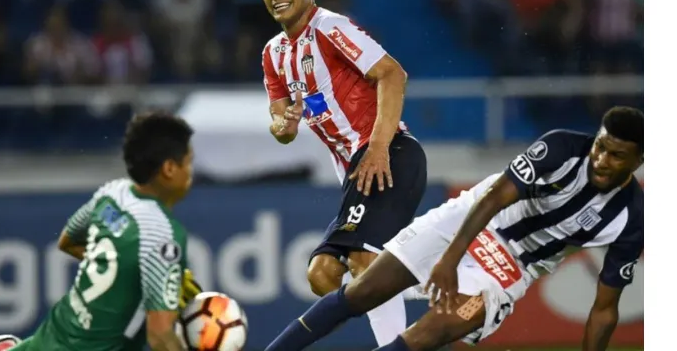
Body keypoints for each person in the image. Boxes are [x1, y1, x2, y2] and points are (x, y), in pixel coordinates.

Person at [265, 106, 644, 351]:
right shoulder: (561, 147)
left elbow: (604, 309)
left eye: (616, 155)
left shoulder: (631, 219)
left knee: (425, 337)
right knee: (361, 293)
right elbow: (494, 198)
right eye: (600, 147)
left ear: (639, 160)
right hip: (469, 219)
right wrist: (450, 259)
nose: (601, 159)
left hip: (511, 268)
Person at [259, 0, 428, 346]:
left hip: (390, 155)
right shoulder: (273, 54)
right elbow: (281, 127)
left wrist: (379, 147)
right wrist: (285, 123)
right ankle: (438, 276)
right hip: (356, 171)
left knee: (362, 261)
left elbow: (392, 74)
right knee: (323, 277)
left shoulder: (330, 28)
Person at [0, 112, 203, 351]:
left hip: (54, 334)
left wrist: (128, 279)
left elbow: (67, 241)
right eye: (188, 163)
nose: (190, 173)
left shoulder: (112, 194)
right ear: (169, 168)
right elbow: (159, 336)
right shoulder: (163, 234)